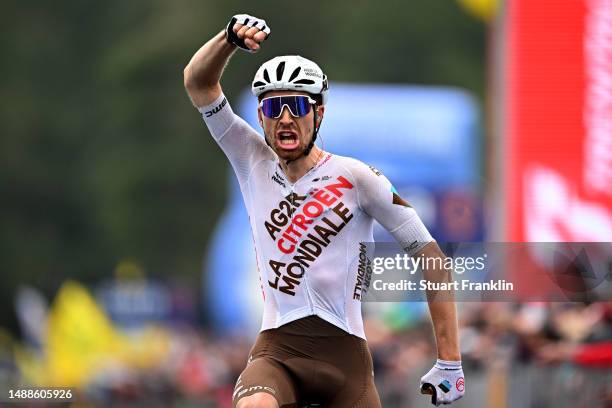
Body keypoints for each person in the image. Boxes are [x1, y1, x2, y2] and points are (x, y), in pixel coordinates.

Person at [184, 14, 465, 408]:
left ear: (319, 114)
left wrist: (449, 361)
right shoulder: (249, 158)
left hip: (346, 360)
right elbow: (198, 82)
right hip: (276, 352)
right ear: (261, 116)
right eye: (273, 106)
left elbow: (433, 259)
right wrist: (228, 39)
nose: (285, 117)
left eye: (297, 105)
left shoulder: (358, 177)